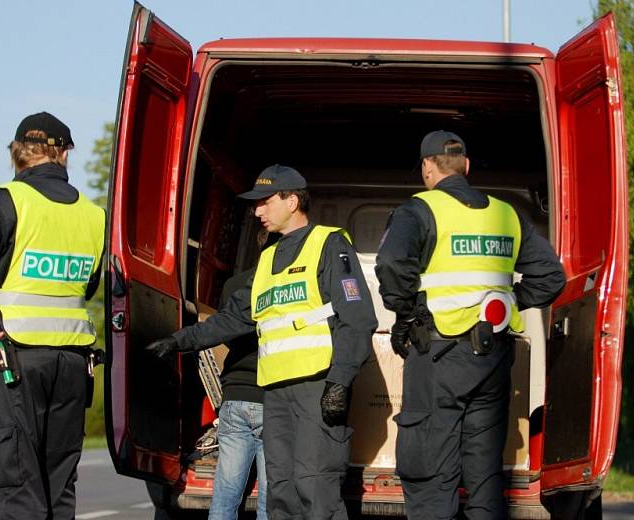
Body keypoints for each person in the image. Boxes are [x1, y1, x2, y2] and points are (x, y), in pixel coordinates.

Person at [146, 164, 378, 520]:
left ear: (292, 200)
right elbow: (233, 318)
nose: (257, 212)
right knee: (281, 494)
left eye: (265, 202)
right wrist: (180, 340)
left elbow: (358, 319)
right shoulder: (267, 259)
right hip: (275, 394)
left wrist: (340, 381)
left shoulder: (329, 244)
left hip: (316, 388)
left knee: (315, 492)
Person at [375, 130, 565, 519]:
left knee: (430, 471)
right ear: (467, 165)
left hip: (438, 355)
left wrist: (405, 315)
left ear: (428, 168)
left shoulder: (418, 210)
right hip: (492, 361)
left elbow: (392, 265)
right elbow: (551, 277)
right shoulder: (505, 213)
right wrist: (510, 301)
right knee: (483, 478)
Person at [0, 112, 105, 519]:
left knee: (14, 483)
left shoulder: (6, 201)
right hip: (71, 365)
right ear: (64, 154)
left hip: (13, 359)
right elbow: (86, 287)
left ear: (17, 153)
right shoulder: (92, 215)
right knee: (57, 484)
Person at [206, 229, 277, 520]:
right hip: (272, 398)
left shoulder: (234, 284)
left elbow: (225, 334)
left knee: (225, 495)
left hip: (234, 395)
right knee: (270, 500)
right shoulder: (287, 285)